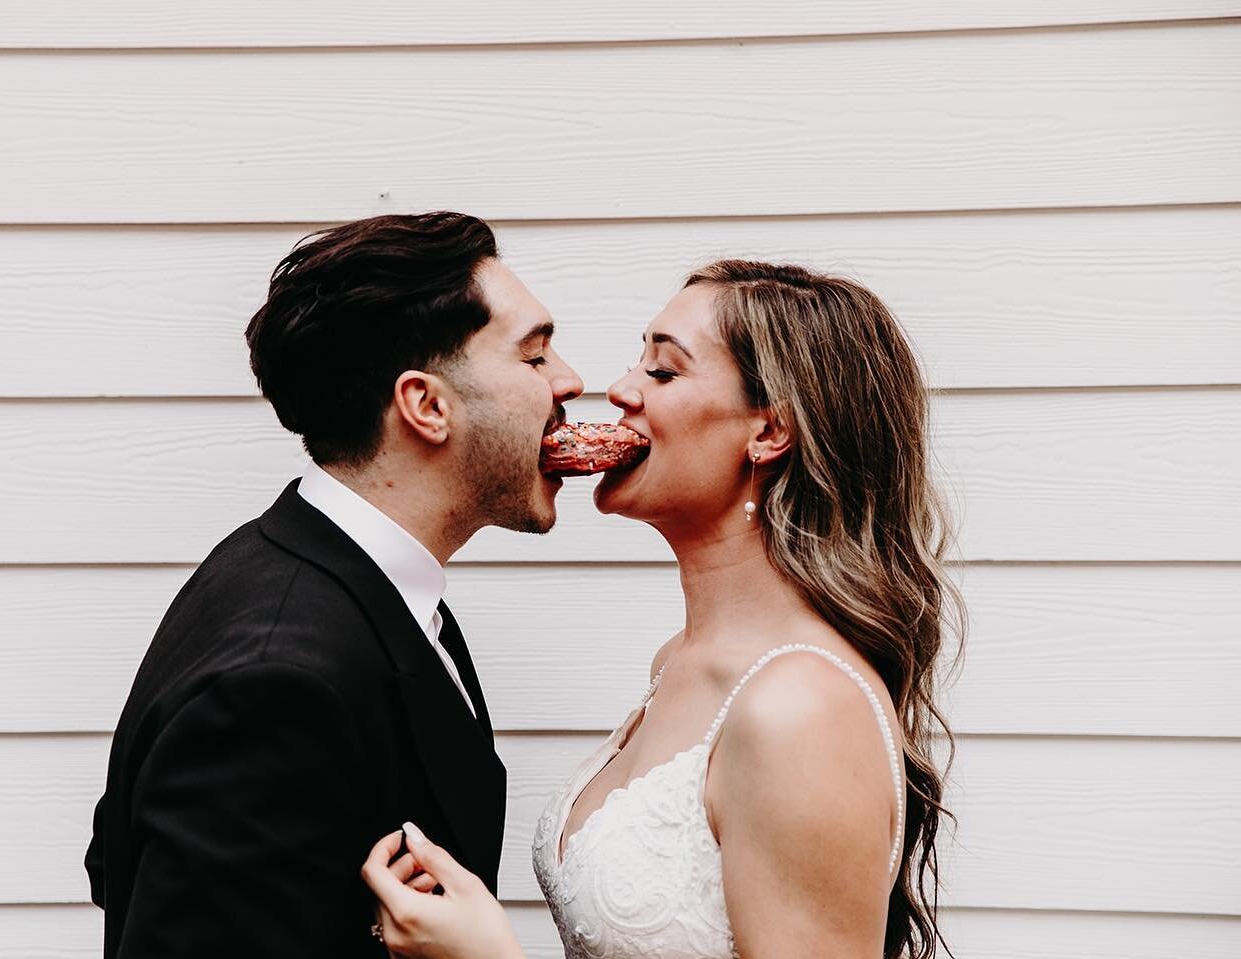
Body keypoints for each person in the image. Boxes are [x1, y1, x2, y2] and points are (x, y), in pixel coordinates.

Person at [362, 261, 964, 959]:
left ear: (770, 432)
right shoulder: (678, 663)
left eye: (663, 372)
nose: (617, 390)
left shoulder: (800, 709)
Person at [84, 211, 584, 957]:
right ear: (426, 405)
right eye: (535, 357)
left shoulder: (334, 572)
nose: (571, 381)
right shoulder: (275, 683)